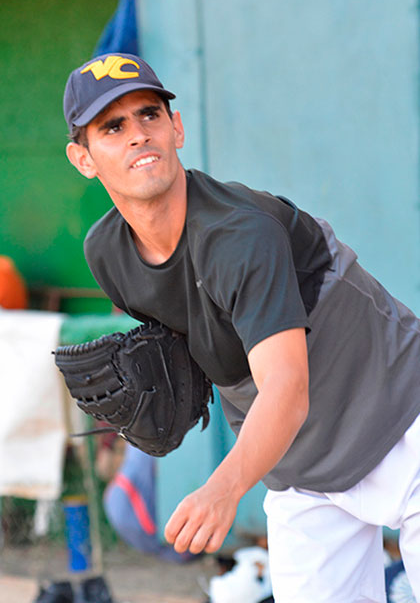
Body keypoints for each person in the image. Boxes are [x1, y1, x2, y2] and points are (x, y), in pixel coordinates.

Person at [63, 52, 420, 602]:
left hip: (403, 422)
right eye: (112, 127)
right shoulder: (107, 254)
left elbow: (286, 388)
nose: (138, 134)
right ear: (83, 159)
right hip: (301, 467)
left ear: (175, 127)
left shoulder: (239, 234)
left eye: (149, 115)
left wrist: (223, 489)